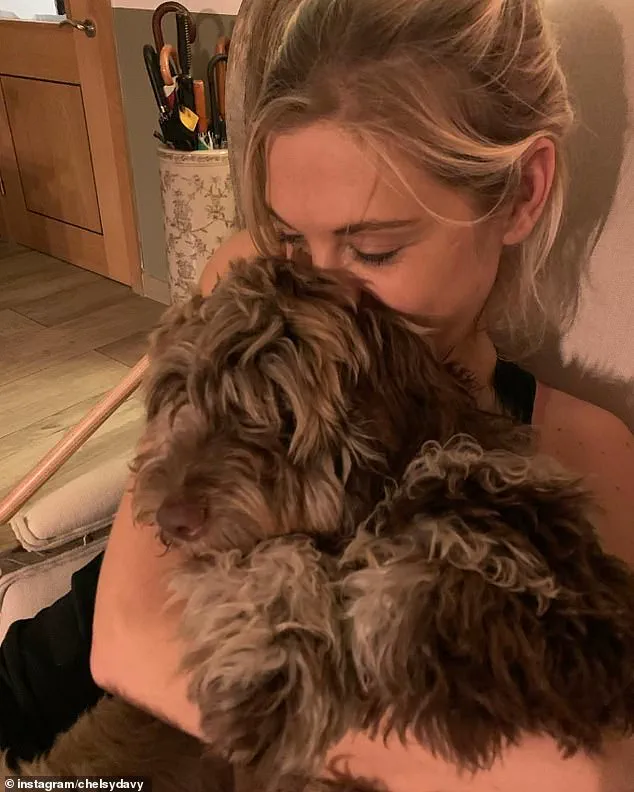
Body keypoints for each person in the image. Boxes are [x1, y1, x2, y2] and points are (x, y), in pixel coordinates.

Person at [3, 0, 632, 785]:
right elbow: (123, 640)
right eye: (291, 240)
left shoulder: (583, 453)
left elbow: (587, 770)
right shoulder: (248, 294)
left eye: (375, 249)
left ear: (521, 194)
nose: (316, 294)